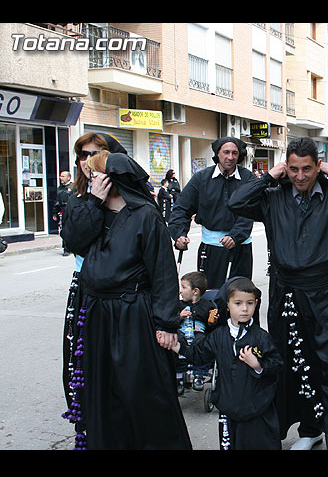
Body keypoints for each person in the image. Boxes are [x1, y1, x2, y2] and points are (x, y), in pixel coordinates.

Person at [227, 136, 328, 450]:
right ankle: (310, 429)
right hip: (287, 293)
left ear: (318, 166)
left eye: (306, 169)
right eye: (293, 169)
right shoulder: (272, 196)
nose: (299, 176)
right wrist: (269, 175)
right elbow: (236, 202)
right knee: (293, 363)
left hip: (327, 292)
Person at [62, 150, 191, 450]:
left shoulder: (145, 215)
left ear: (112, 179)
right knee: (104, 393)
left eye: (95, 174)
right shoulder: (92, 209)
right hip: (96, 315)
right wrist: (93, 202)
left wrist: (167, 324)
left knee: (142, 393)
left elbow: (162, 273)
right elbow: (73, 242)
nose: (90, 179)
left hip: (132, 315)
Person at [59, 132, 129, 442]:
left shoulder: (130, 197)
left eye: (95, 153)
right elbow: (74, 241)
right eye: (83, 155)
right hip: (85, 288)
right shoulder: (78, 198)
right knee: (81, 362)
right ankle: (88, 425)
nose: (88, 161)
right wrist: (94, 201)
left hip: (122, 294)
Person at [169, 276, 283, 450]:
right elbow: (199, 355)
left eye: (250, 303)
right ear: (227, 305)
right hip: (229, 410)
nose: (244, 309)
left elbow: (276, 364)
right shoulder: (219, 335)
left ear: (256, 303)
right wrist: (177, 346)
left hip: (258, 411)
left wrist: (258, 365)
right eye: (238, 303)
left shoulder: (261, 337)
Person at [168, 137, 255, 290]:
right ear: (217, 154)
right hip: (211, 249)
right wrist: (179, 234)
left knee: (240, 294)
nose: (230, 157)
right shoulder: (201, 178)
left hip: (240, 249)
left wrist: (236, 235)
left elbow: (249, 211)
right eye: (226, 152)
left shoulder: (248, 178)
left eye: (234, 153)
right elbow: (182, 208)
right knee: (210, 295)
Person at [175, 271, 217, 394]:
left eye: (183, 287)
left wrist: (212, 321)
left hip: (199, 333)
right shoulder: (179, 305)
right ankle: (178, 377)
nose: (180, 291)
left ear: (195, 291)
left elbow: (211, 327)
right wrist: (179, 316)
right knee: (177, 342)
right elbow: (171, 320)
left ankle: (199, 375)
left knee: (203, 343)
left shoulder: (207, 305)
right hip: (182, 333)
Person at [52, 170, 73, 255]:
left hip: (72, 211)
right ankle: (66, 249)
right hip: (63, 212)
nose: (61, 178)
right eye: (60, 176)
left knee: (73, 230)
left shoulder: (74, 187)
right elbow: (56, 201)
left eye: (63, 176)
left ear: (69, 177)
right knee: (64, 230)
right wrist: (54, 213)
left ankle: (73, 247)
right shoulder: (59, 188)